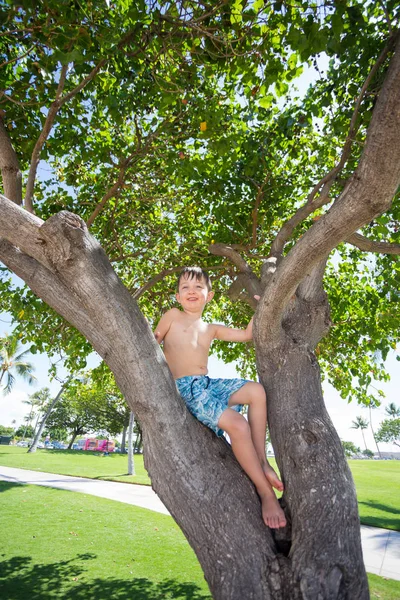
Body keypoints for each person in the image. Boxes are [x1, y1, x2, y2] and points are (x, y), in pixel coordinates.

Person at [154, 266, 286, 529]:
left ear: (209, 295)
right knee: (238, 424)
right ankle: (266, 493)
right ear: (178, 296)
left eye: (198, 287)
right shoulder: (172, 315)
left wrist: (263, 308)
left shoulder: (210, 328)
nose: (192, 291)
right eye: (185, 288)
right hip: (186, 389)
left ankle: (262, 460)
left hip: (206, 385)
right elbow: (152, 340)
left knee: (256, 391)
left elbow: (247, 335)